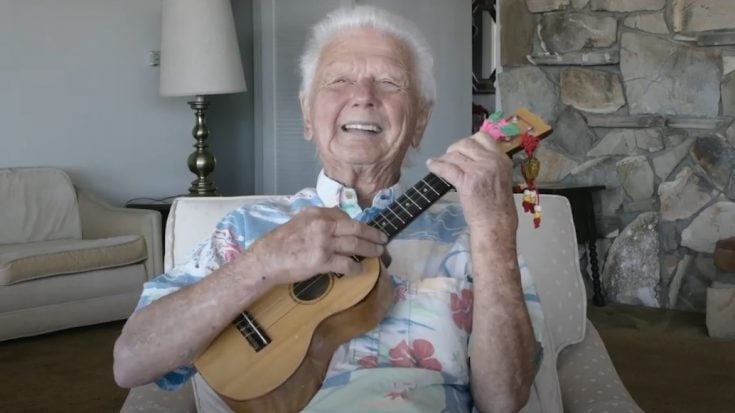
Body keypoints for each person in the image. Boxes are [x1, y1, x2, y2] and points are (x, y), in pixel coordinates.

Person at [113, 5, 544, 413]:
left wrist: (494, 229)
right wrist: (262, 263)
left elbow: (505, 400)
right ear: (306, 114)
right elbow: (131, 361)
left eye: (390, 83)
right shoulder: (249, 227)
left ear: (420, 122)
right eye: (337, 81)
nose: (363, 97)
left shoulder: (478, 231)